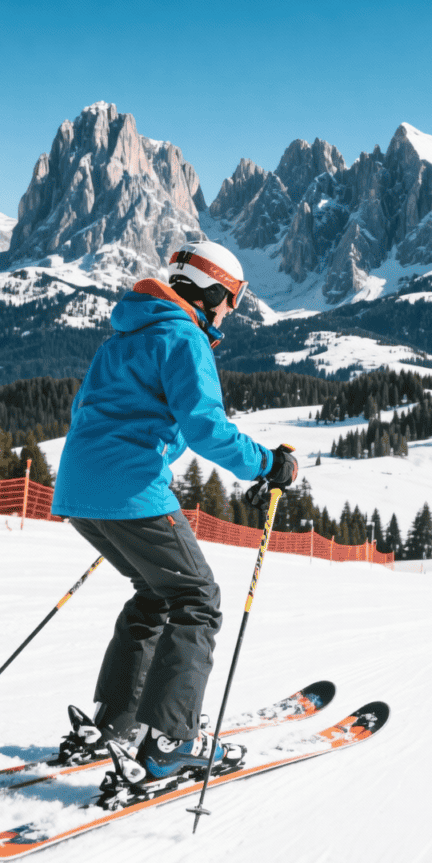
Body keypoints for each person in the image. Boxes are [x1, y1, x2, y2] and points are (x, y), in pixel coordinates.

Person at [49, 240, 298, 786]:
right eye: (232, 298)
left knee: (155, 594)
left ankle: (114, 723)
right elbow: (206, 429)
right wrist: (269, 465)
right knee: (197, 600)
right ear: (212, 292)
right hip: (130, 491)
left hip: (78, 492)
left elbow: (94, 411)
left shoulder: (124, 335)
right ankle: (170, 741)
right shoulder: (184, 337)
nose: (230, 311)